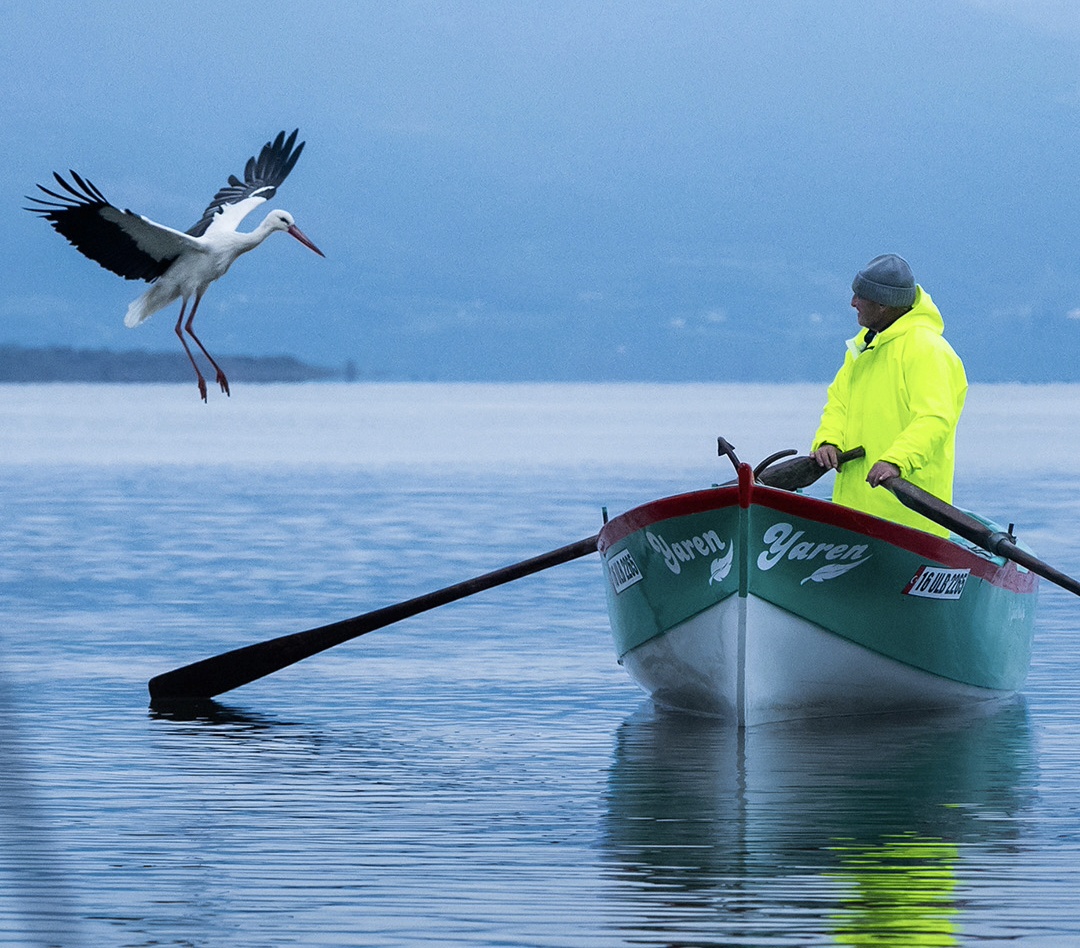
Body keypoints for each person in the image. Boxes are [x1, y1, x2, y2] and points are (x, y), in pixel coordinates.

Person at [810, 254, 968, 537]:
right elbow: (838, 403)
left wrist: (896, 460)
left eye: (860, 296)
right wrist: (828, 440)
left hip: (910, 523)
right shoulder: (862, 349)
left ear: (883, 303)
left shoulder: (928, 350)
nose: (853, 303)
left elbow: (934, 419)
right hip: (854, 515)